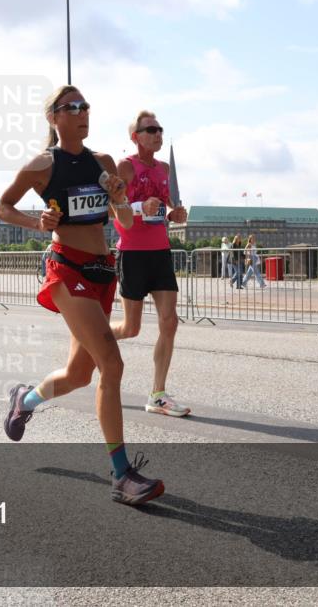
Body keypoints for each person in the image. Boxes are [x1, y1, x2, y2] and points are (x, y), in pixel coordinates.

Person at [0, 85, 164, 506]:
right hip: (66, 269)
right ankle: (122, 474)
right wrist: (39, 221)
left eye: (86, 105)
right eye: (72, 106)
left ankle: (24, 399)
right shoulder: (41, 166)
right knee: (112, 361)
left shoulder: (104, 163)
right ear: (54, 117)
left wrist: (120, 198)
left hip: (102, 271)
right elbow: (3, 207)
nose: (82, 111)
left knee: (78, 375)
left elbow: (123, 221)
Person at [110, 110, 192, 418]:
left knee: (169, 323)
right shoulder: (124, 167)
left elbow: (170, 207)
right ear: (135, 137)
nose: (157, 134)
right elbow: (110, 209)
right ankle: (93, 339)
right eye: (150, 130)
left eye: (159, 129)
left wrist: (176, 216)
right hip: (132, 252)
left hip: (160, 251)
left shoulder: (164, 168)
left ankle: (158, 395)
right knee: (131, 328)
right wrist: (138, 207)